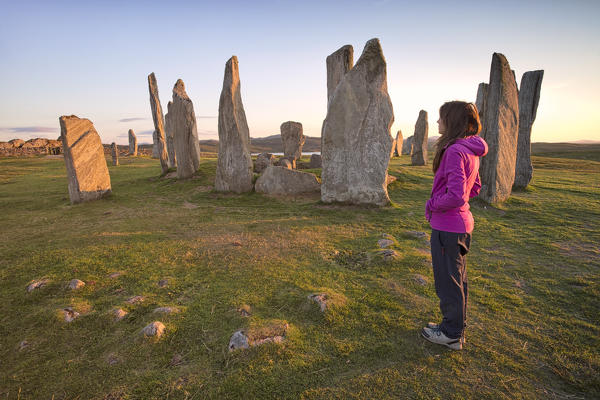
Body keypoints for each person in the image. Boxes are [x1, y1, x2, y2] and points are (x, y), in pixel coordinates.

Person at [420, 101, 488, 350]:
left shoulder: (453, 151)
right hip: (461, 224)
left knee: (448, 281)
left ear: (451, 121)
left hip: (448, 227)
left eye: (441, 118)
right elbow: (475, 187)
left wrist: (433, 203)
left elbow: (457, 195)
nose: (438, 123)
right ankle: (454, 327)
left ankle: (451, 333)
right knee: (457, 279)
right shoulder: (470, 149)